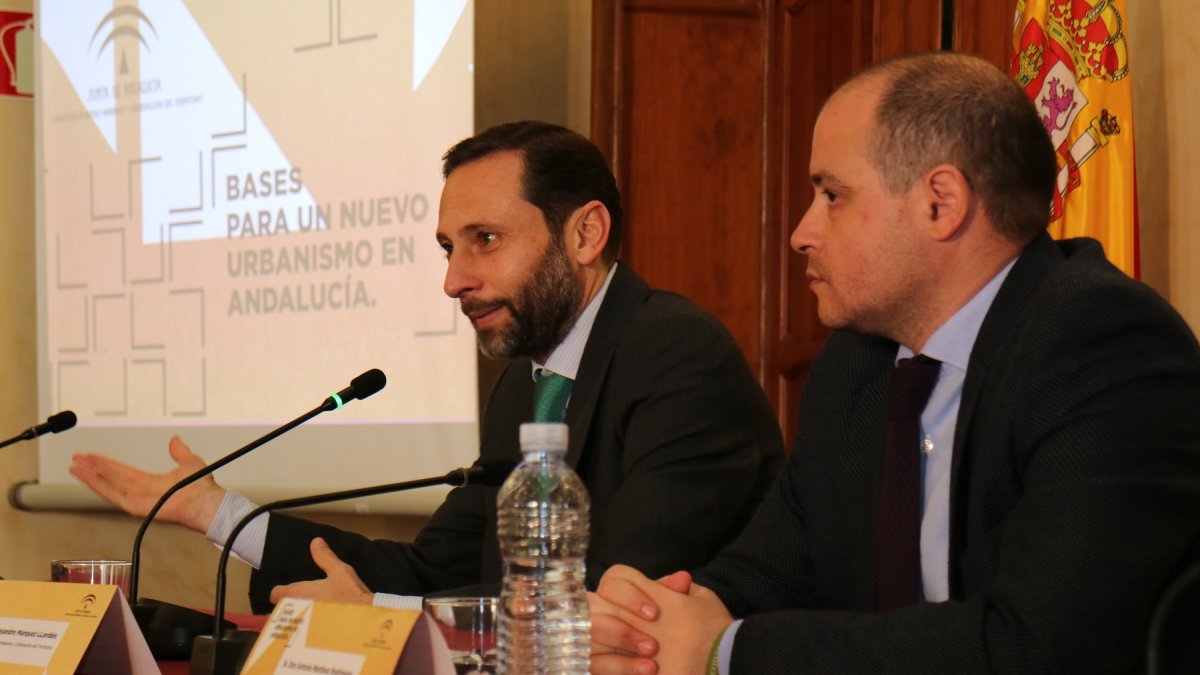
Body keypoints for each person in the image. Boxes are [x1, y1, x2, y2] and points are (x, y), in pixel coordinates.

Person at [589, 52, 1200, 674]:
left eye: (832, 194)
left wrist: (726, 651)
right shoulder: (858, 364)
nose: (802, 232)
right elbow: (771, 567)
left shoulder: (1103, 346)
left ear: (941, 203)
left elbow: (1044, 647)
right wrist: (648, 620)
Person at [70, 121, 784, 611]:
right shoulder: (526, 388)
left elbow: (607, 599)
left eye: (486, 239)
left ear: (586, 233)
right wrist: (216, 512)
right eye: (449, 247)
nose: (454, 279)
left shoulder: (676, 355)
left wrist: (382, 615)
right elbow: (435, 570)